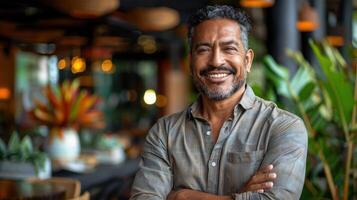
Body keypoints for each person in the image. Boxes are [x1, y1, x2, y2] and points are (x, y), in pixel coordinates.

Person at [130, 5, 307, 200]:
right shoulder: (165, 132)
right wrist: (240, 196)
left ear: (247, 61)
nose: (216, 60)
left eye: (229, 48)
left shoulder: (283, 127)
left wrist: (182, 196)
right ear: (190, 62)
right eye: (204, 49)